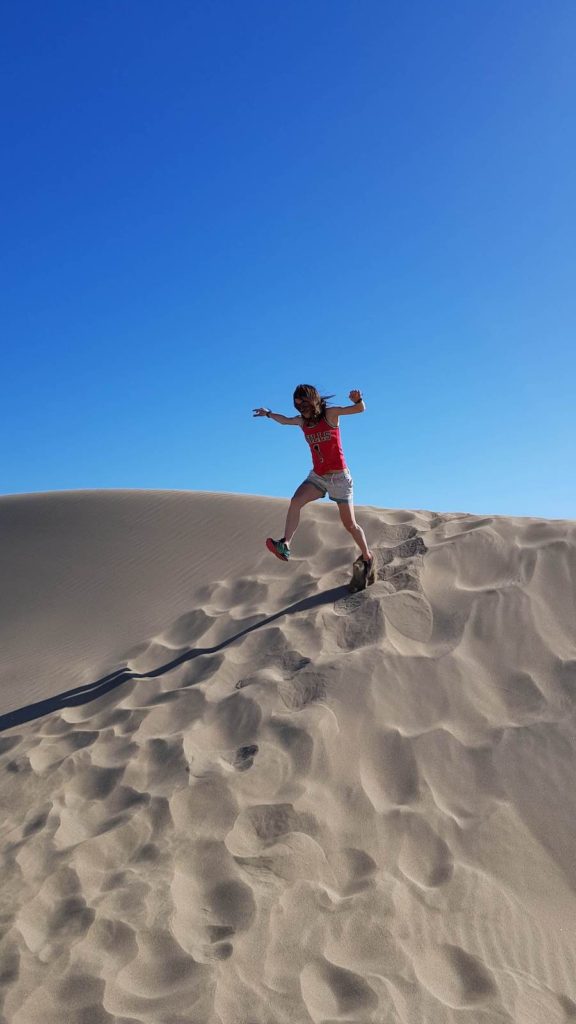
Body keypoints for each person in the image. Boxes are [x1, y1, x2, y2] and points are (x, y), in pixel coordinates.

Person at [253, 384, 373, 579]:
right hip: (318, 476)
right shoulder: (303, 423)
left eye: (304, 403)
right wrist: (268, 414)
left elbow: (360, 409)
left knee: (350, 525)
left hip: (339, 478)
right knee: (295, 501)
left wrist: (358, 400)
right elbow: (284, 421)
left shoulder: (330, 414)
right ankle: (285, 544)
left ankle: (367, 557)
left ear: (314, 400)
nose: (301, 409)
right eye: (298, 405)